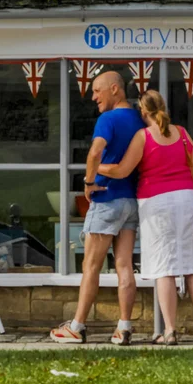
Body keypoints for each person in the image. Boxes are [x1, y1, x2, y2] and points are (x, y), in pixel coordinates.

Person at [98, 89, 193, 346]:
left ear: (142, 112)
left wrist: (95, 167)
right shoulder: (183, 134)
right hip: (186, 199)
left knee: (164, 268)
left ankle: (170, 331)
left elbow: (122, 171)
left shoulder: (143, 137)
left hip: (156, 202)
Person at [50, 71, 145, 346]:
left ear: (115, 89)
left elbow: (95, 152)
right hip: (130, 200)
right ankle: (123, 327)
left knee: (90, 265)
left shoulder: (108, 119)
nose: (93, 97)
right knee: (125, 265)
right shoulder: (139, 119)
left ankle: (77, 326)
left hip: (106, 199)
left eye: (97, 91)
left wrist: (89, 182)